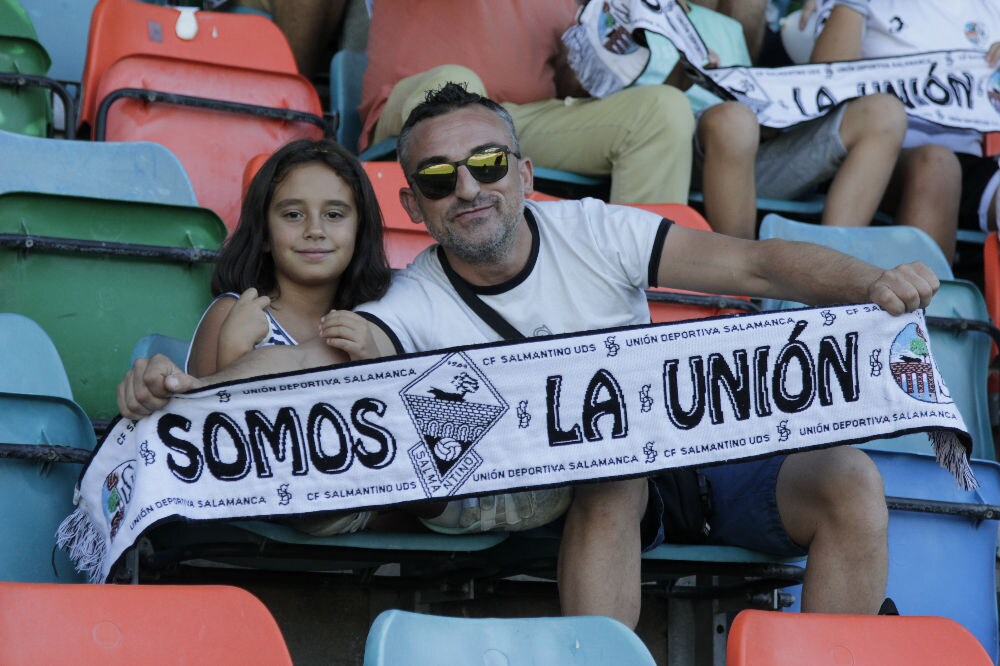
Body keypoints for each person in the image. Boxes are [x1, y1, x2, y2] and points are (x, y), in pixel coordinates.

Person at [119, 83, 939, 628]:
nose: (468, 190)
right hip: (608, 490)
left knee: (850, 480)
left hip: (700, 453)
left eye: (485, 165)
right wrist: (199, 390)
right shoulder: (413, 301)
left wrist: (872, 282)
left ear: (524, 171)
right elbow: (315, 373)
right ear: (413, 205)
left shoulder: (594, 228)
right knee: (614, 459)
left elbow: (755, 264)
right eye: (439, 180)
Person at [663, 0, 953, 254]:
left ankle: (831, 275)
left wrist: (772, 120)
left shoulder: (727, 27)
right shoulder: (636, 12)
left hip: (747, 153)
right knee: (734, 121)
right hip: (672, 150)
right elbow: (639, 113)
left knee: (885, 111)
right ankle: (737, 285)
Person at [357, 0, 695, 205]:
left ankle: (648, 296)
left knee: (662, 111)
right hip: (421, 103)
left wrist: (635, 25)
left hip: (519, 120)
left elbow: (572, 85)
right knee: (458, 87)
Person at [811, 0, 1000, 242]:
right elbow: (821, 88)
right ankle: (927, 281)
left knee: (940, 163)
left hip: (974, 160)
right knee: (937, 164)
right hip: (880, 156)